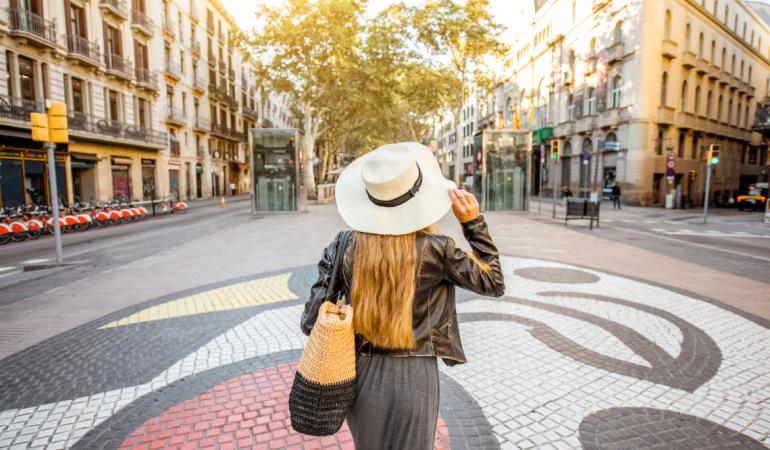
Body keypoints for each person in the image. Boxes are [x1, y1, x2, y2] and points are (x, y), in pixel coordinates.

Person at [300, 142, 505, 449]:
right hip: (416, 376)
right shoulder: (438, 248)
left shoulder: (343, 244)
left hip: (360, 374)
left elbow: (310, 321)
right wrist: (473, 224)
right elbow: (494, 282)